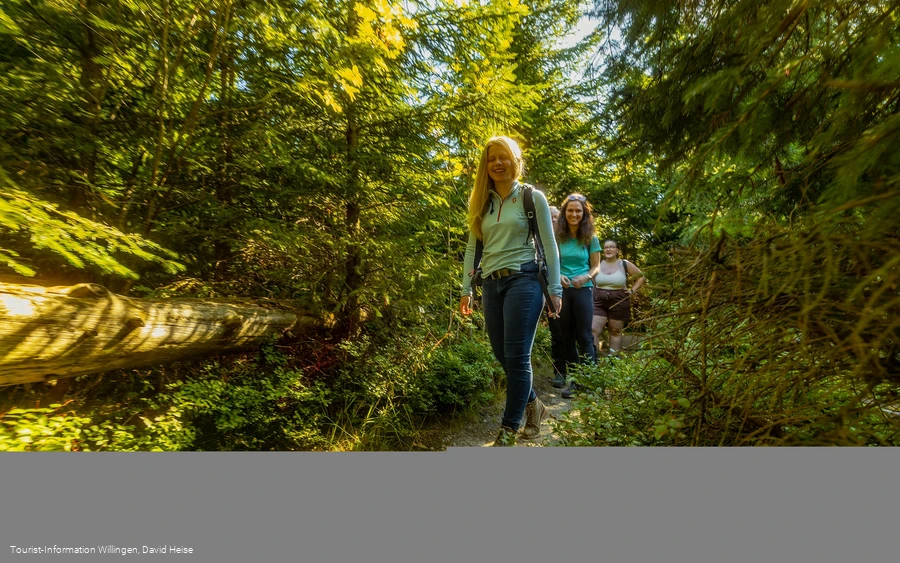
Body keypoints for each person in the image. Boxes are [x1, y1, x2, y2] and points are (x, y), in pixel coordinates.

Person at [459, 136, 563, 446]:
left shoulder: (532, 198)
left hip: (524, 280)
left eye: (503, 157)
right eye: (492, 158)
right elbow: (472, 249)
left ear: (515, 161)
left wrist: (555, 288)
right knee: (502, 354)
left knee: (517, 357)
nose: (497, 163)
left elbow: (549, 244)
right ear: (486, 165)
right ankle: (535, 407)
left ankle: (507, 431)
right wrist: (466, 288)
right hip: (492, 283)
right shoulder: (482, 202)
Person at [555, 194, 601, 399]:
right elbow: (550, 262)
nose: (574, 214)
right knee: (566, 336)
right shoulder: (557, 237)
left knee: (584, 336)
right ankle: (573, 381)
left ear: (584, 214)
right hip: (562, 289)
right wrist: (558, 275)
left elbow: (596, 266)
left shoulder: (590, 237)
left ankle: (588, 380)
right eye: (570, 210)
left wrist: (586, 276)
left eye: (578, 211)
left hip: (583, 289)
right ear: (564, 213)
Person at [591, 239, 645, 360]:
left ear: (617, 250)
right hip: (598, 300)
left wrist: (632, 291)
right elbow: (591, 279)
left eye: (611, 247)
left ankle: (613, 361)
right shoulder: (598, 263)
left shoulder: (624, 264)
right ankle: (592, 361)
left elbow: (641, 277)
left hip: (619, 300)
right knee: (593, 329)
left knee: (615, 330)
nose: (608, 249)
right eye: (606, 247)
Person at [546, 205, 567, 388]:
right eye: (550, 216)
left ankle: (580, 372)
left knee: (573, 332)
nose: (553, 219)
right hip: (550, 292)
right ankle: (559, 372)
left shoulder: (569, 238)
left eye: (556, 216)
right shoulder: (539, 239)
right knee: (557, 332)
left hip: (572, 290)